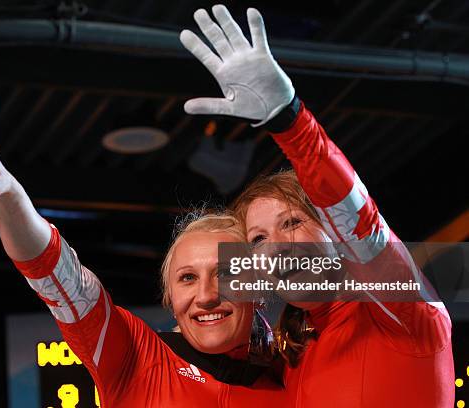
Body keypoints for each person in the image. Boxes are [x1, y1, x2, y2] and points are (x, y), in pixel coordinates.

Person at [0, 89, 286, 406]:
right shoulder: (135, 357)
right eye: (187, 278)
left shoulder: (293, 380)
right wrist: (6, 194)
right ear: (170, 299)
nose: (205, 295)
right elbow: (59, 277)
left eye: (225, 272)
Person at [180, 5, 454, 408]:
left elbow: (361, 224)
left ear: (333, 234)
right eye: (257, 239)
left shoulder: (408, 314)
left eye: (290, 222)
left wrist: (290, 122)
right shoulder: (293, 354)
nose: (274, 246)